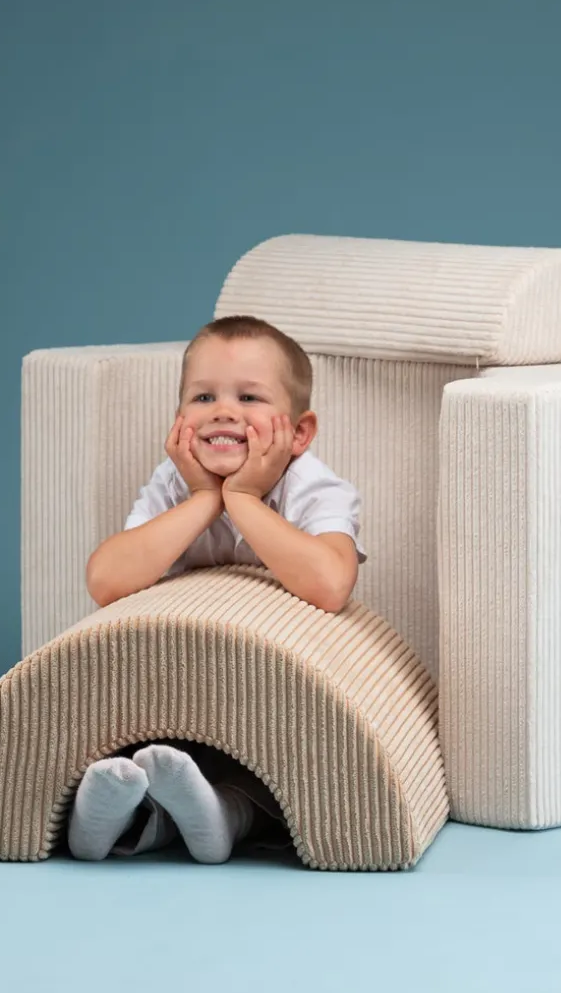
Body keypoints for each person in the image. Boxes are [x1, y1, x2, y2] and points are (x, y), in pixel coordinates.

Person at [68, 314, 367, 864]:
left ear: (299, 433)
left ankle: (225, 814)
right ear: (180, 420)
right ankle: (110, 815)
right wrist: (205, 499)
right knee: (148, 745)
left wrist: (244, 500)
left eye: (249, 397)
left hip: (271, 696)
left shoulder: (312, 486)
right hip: (184, 684)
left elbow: (330, 585)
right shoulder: (176, 482)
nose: (223, 411)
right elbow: (106, 579)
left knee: (261, 764)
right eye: (203, 397)